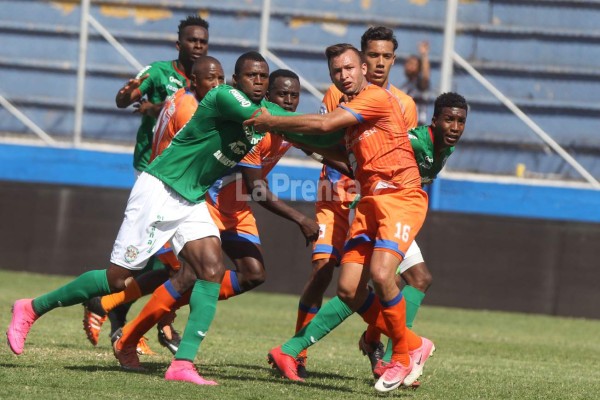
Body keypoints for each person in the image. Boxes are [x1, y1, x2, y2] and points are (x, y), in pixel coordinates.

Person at [5, 51, 301, 387]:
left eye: (263, 76)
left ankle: (183, 362)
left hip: (190, 198)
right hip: (160, 188)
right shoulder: (226, 98)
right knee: (118, 278)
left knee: (210, 269)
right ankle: (31, 307)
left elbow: (296, 126)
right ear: (236, 80)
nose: (258, 82)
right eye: (251, 76)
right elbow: (277, 123)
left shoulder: (262, 109)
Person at [245, 43, 430, 393]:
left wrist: (274, 121)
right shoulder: (349, 107)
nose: (343, 76)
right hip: (368, 201)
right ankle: (414, 344)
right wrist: (298, 139)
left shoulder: (375, 98)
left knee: (382, 274)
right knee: (347, 289)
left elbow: (326, 123)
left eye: (348, 68)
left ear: (362, 69)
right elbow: (340, 154)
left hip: (400, 198)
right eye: (336, 72)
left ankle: (402, 357)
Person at [111, 68, 320, 365]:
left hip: (237, 210)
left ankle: (125, 312)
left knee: (253, 274)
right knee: (186, 275)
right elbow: (256, 188)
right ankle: (128, 330)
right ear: (267, 98)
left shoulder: (285, 128)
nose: (288, 101)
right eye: (281, 95)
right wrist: (301, 219)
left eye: (294, 96)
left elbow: (316, 145)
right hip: (210, 202)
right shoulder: (254, 129)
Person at [291, 26, 421, 378]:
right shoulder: (338, 93)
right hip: (338, 197)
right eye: (373, 56)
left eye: (386, 56)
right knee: (326, 272)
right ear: (362, 60)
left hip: (387, 201)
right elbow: (328, 139)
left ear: (393, 59)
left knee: (407, 276)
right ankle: (298, 352)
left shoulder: (405, 105)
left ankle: (383, 346)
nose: (379, 63)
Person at [82, 15, 212, 350]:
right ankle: (138, 321)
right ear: (179, 43)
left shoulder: (207, 81)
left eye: (202, 41)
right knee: (166, 259)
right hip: (153, 170)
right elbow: (125, 98)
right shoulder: (158, 72)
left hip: (185, 179)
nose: (198, 46)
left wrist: (155, 108)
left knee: (172, 260)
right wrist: (129, 96)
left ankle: (122, 314)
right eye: (192, 40)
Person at [401, 41, 431, 125]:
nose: (409, 66)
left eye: (413, 64)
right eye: (408, 63)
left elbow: (425, 76)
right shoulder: (404, 86)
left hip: (417, 126)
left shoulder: (420, 84)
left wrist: (424, 55)